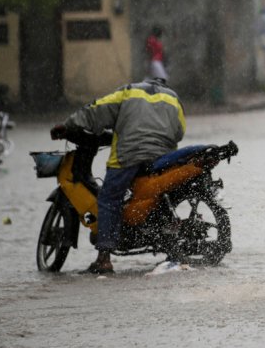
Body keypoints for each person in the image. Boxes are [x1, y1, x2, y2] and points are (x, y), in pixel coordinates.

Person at [51, 77, 186, 274]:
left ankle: (104, 259)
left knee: (109, 198)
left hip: (128, 156)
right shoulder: (173, 99)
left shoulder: (129, 92)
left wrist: (69, 124)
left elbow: (97, 109)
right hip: (161, 157)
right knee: (156, 196)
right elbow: (179, 131)